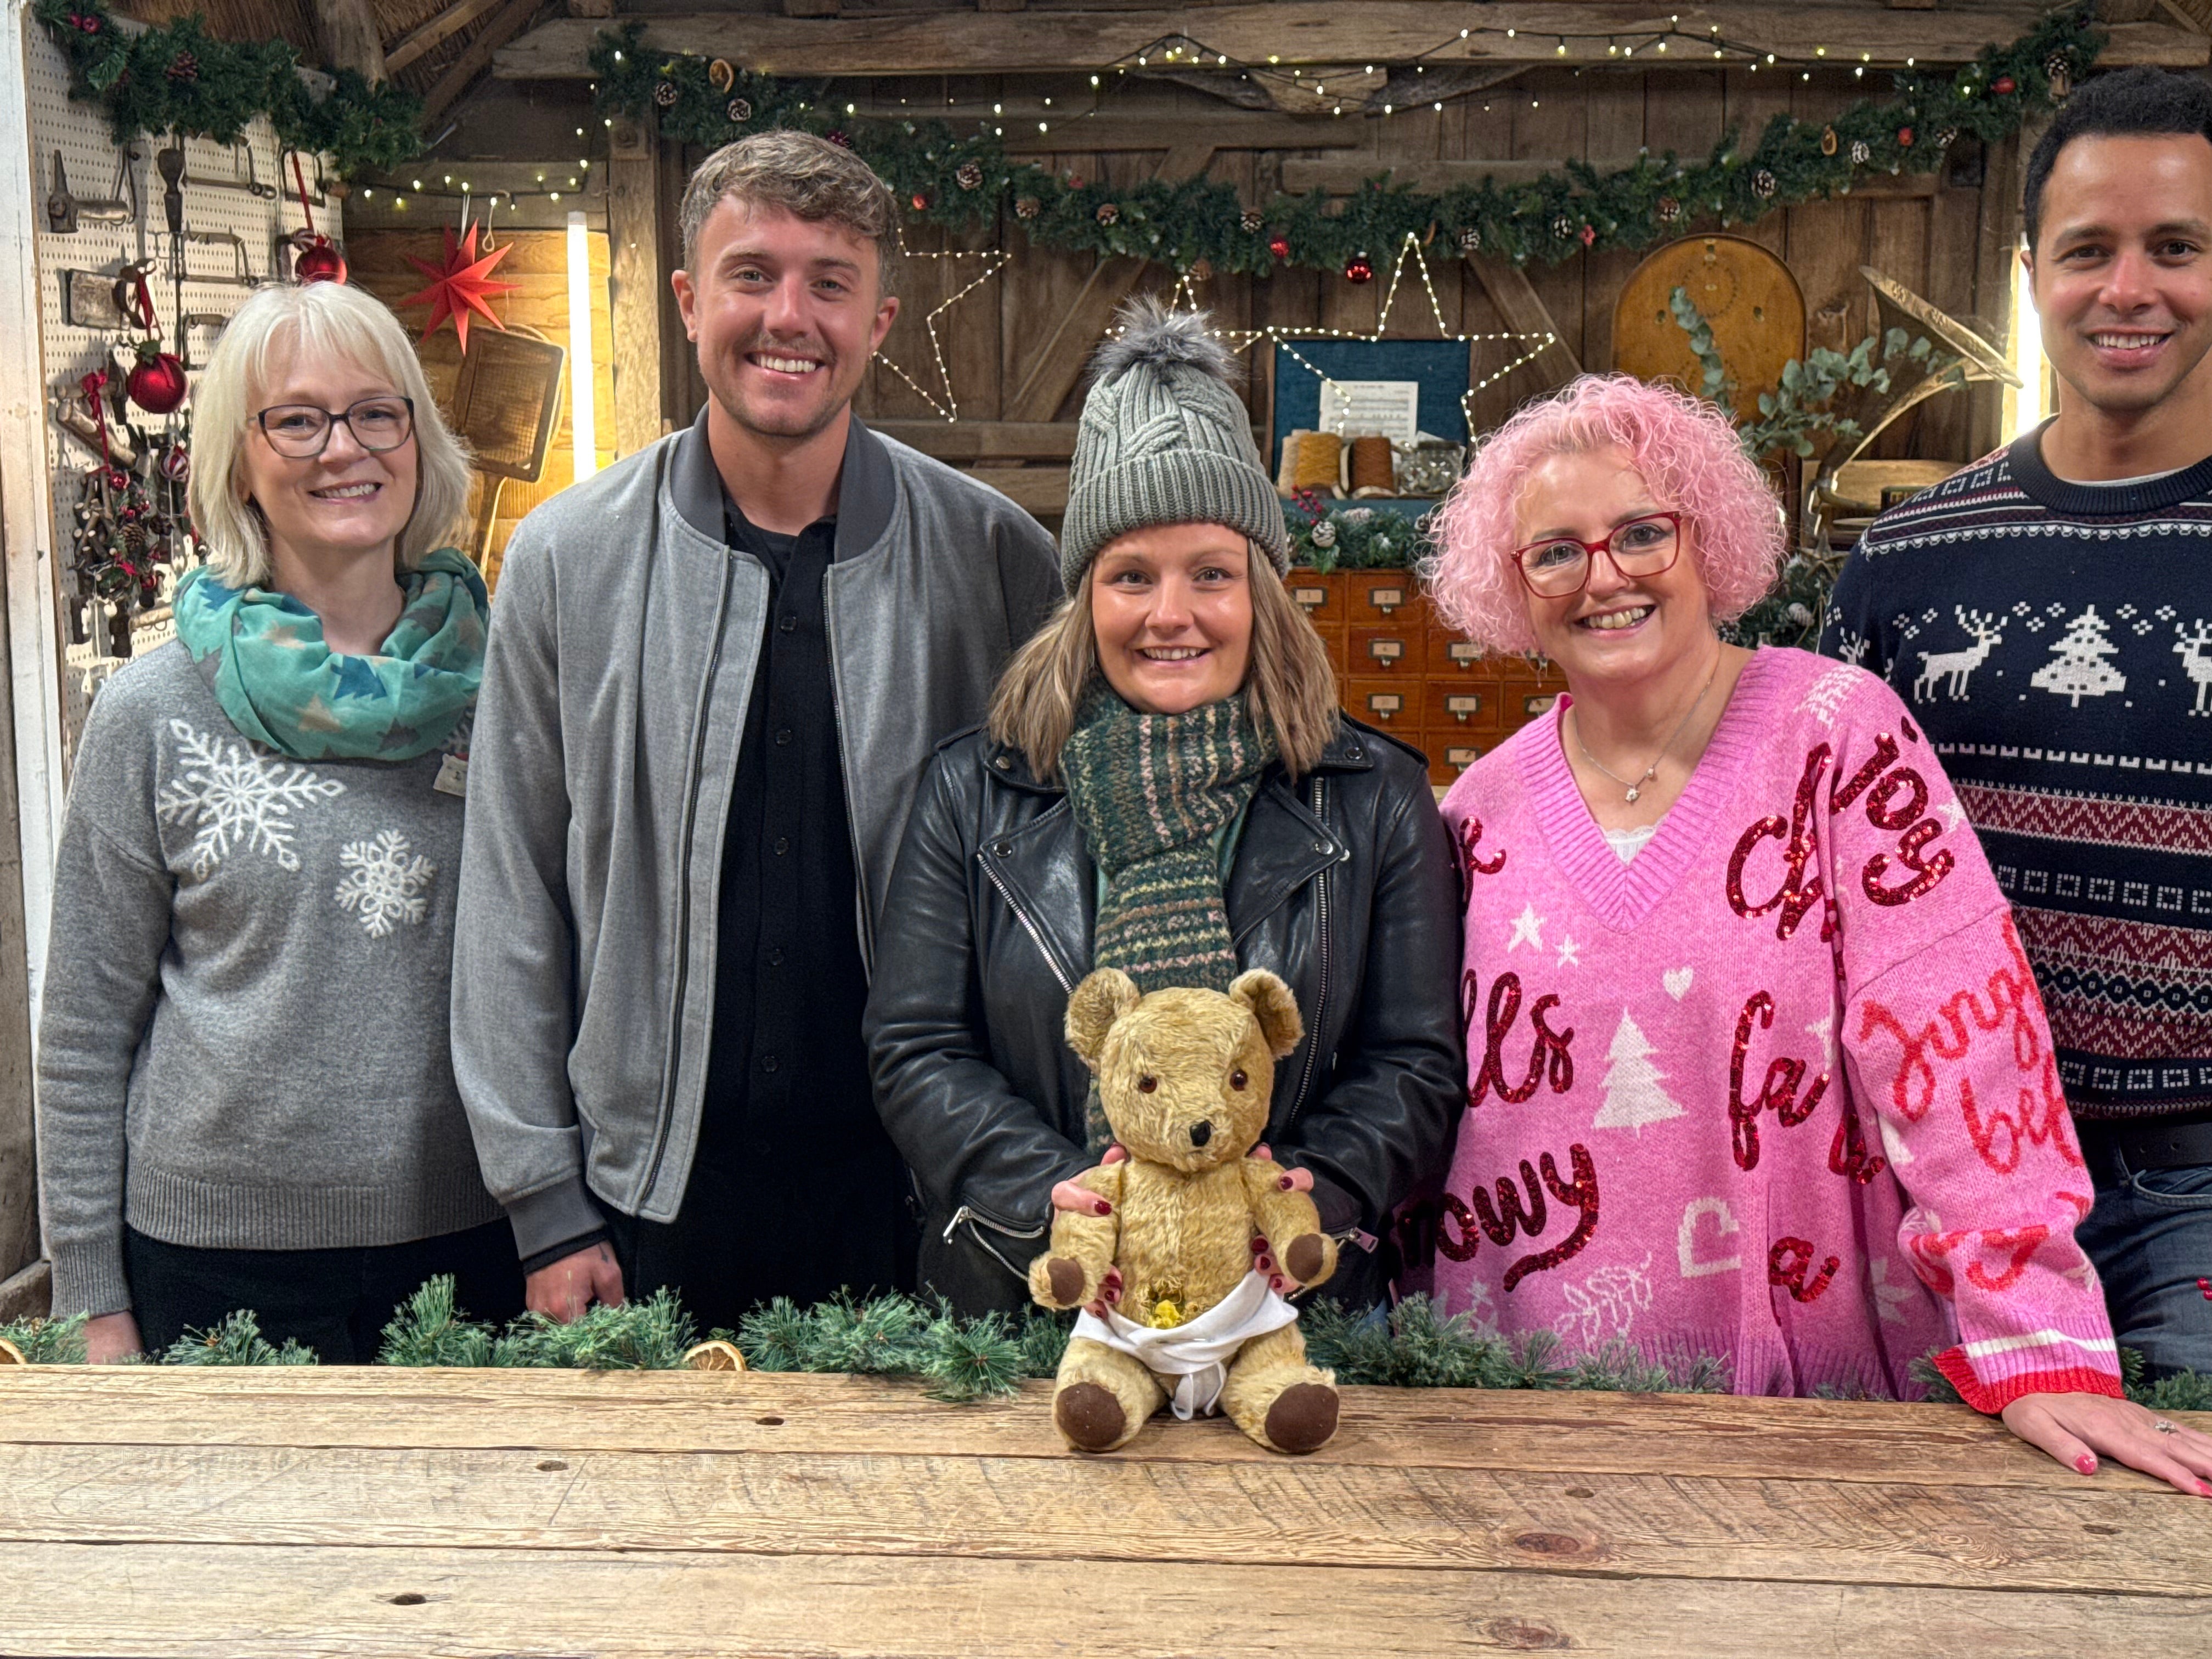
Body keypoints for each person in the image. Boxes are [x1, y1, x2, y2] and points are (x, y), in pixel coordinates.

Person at [1412, 373, 2212, 1494]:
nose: (1604, 576)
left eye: (1644, 532)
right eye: (1555, 551)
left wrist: (2036, 1339)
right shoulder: (1477, 811)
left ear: (1711, 541)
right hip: (1530, 1414)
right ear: (1513, 587)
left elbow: (1964, 1042)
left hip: (1822, 1426)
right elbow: (1427, 1098)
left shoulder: (1837, 737)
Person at [453, 132, 1059, 1334]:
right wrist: (548, 1207)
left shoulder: (997, 561)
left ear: (880, 319)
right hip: (644, 1206)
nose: (791, 316)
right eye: (752, 273)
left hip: (921, 1201)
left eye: (830, 281)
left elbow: (1061, 884)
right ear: (687, 301)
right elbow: (511, 891)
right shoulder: (566, 562)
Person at [865, 299, 1463, 1334]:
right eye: (1131, 575)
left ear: (1263, 592)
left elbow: (1413, 1061)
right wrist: (1053, 1193)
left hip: (1288, 1314)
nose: (1170, 613)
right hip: (1026, 1300)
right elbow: (919, 1046)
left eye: (1212, 574)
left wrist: (1303, 1193)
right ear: (1084, 596)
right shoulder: (973, 794)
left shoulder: (1374, 799)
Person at [36, 279, 512, 1363]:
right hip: (214, 1264)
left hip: (475, 1238)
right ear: (239, 462)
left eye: (375, 412)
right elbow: (82, 1032)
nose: (344, 448)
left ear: (418, 439)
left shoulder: (512, 693)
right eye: (296, 419)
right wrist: (88, 1290)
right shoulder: (152, 711)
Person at [1821, 65, 2212, 1384]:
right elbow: (1820, 861)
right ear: (2032, 264)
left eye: (2178, 248)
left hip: (2192, 1186)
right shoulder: (1910, 557)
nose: (2129, 290)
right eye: (2090, 250)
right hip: (1942, 1176)